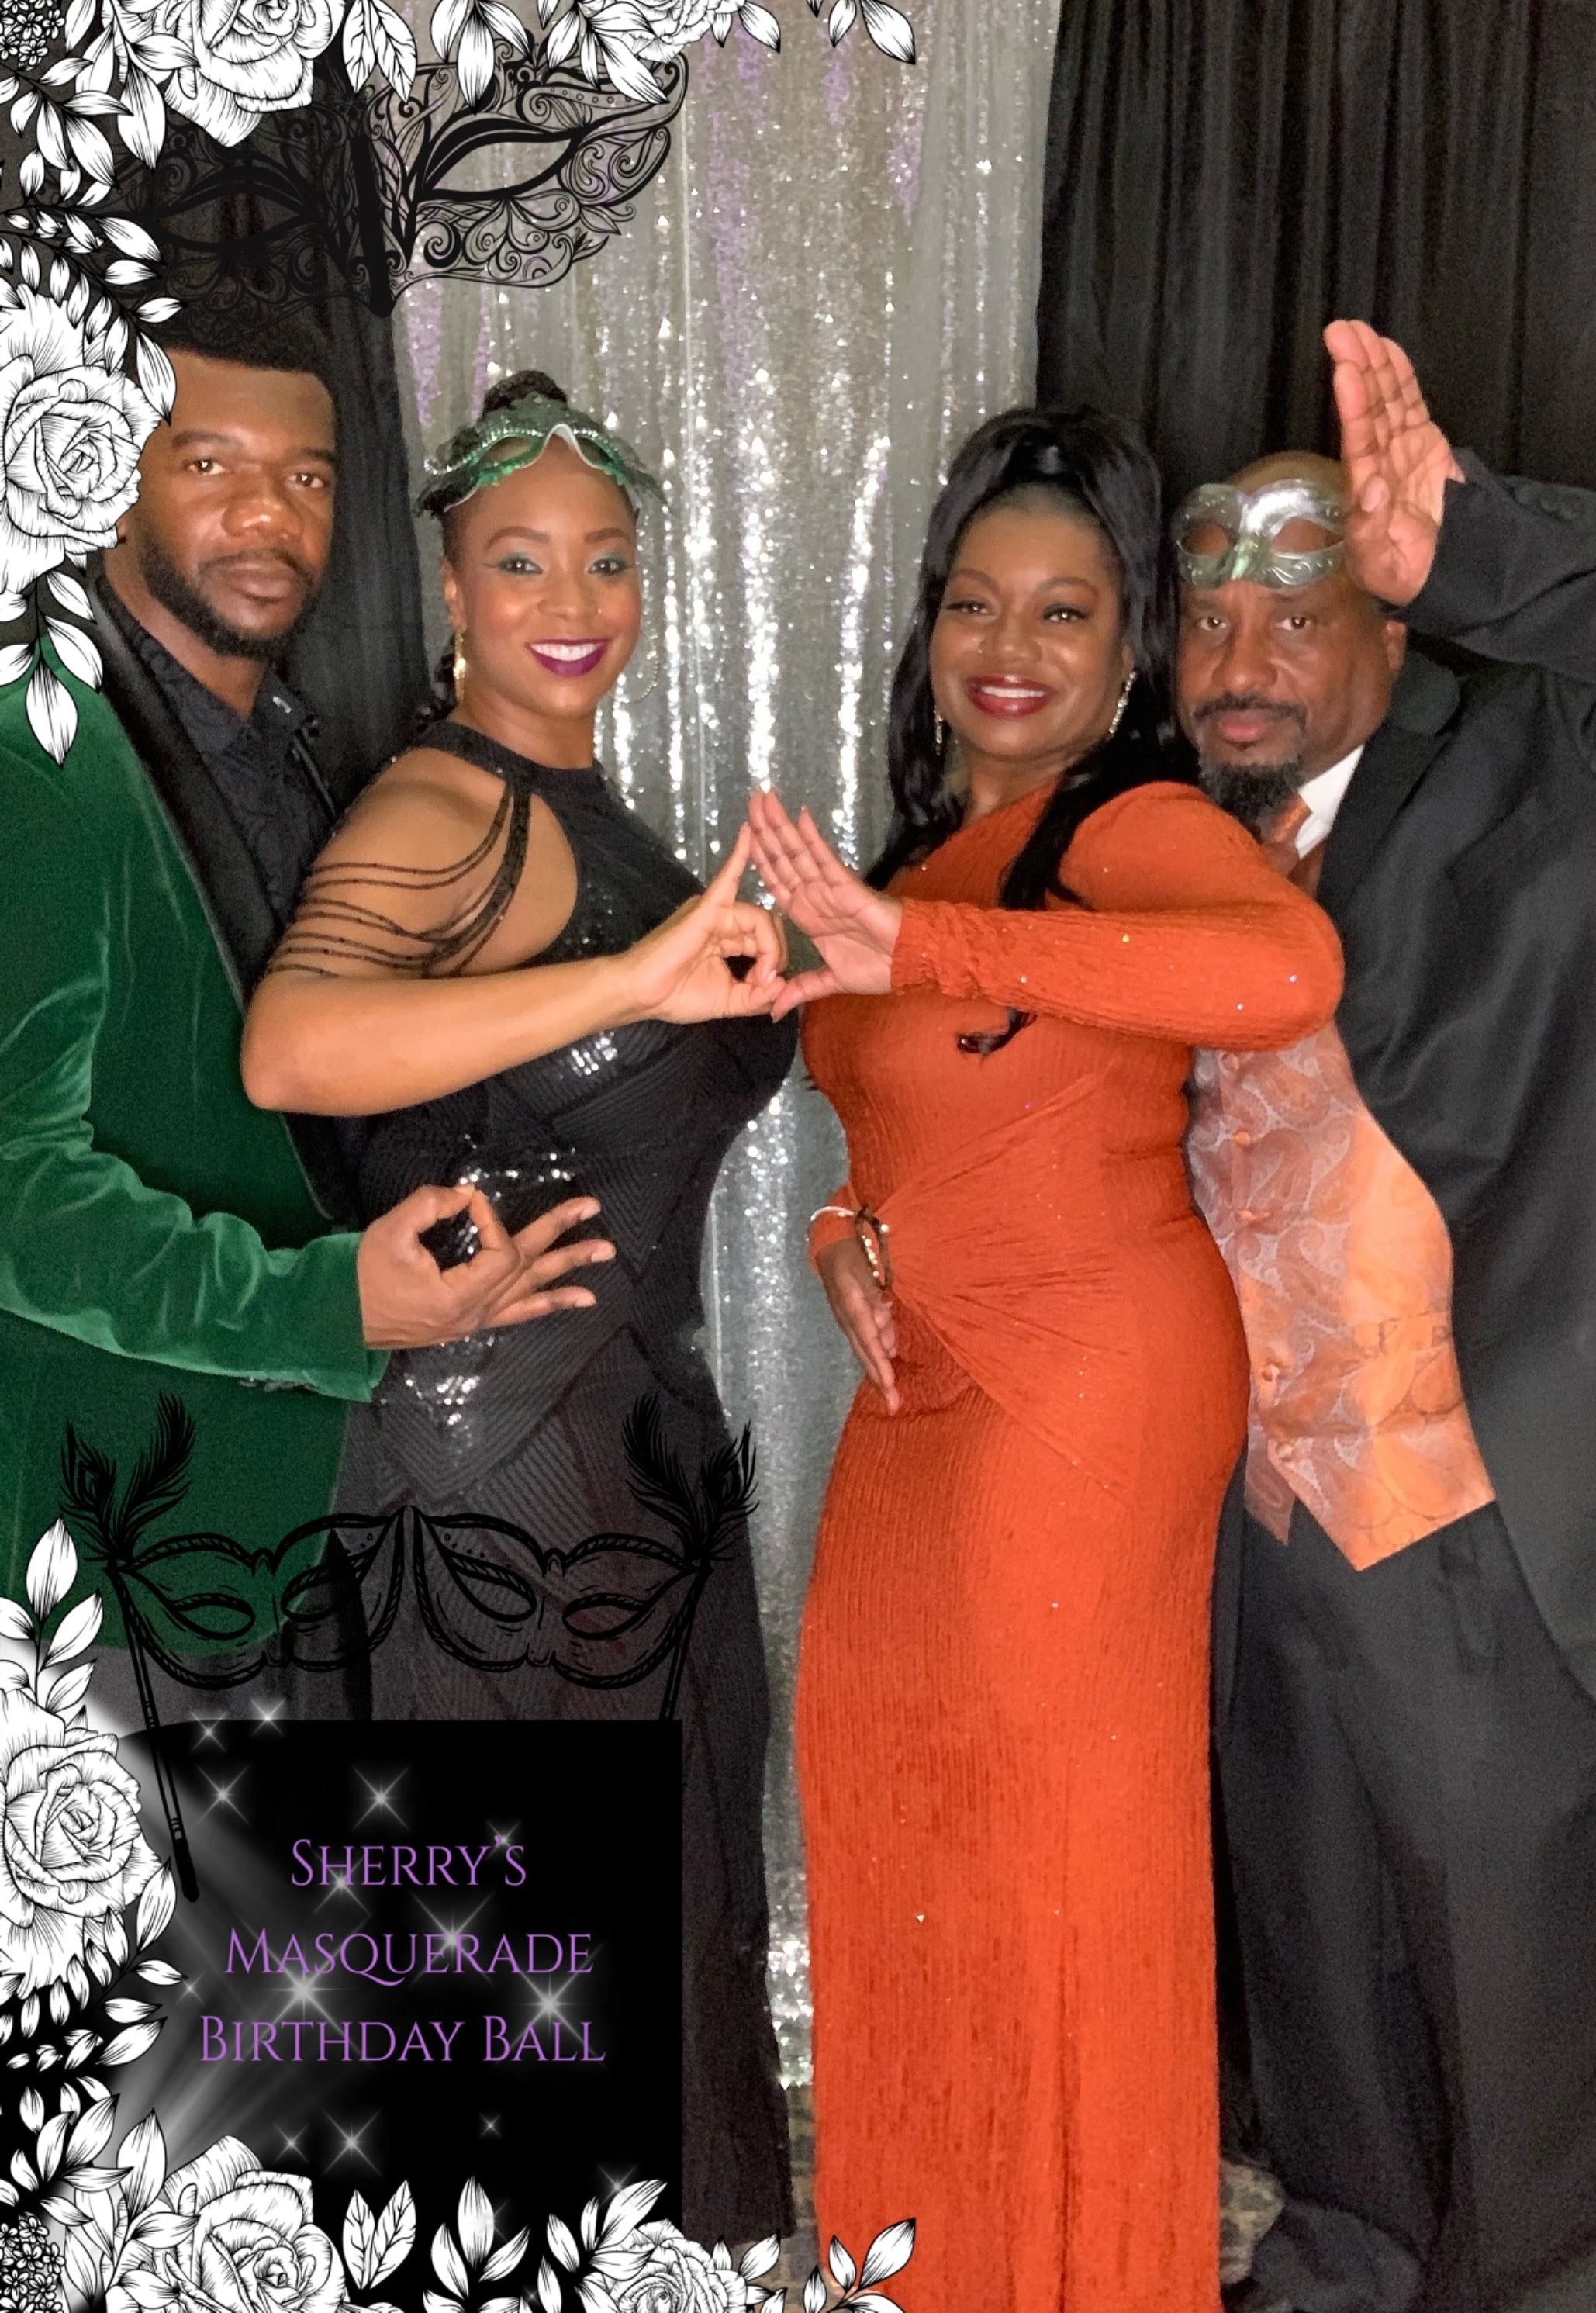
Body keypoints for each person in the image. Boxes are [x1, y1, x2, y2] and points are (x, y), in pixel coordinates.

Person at [744, 410, 1342, 2313]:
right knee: (894, 1795)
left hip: (1087, 1393)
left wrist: (920, 942)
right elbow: (879, 1140)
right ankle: (944, 2262)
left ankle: (1078, 2269)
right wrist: (848, 1241)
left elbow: (1284, 977)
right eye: (977, 604)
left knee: (1050, 1868)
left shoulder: (1124, 824)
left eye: (1067, 611)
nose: (1012, 646)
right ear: (930, 629)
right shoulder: (931, 851)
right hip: (928, 1399)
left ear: (1128, 654)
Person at [240, 370, 798, 2245]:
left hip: (628, 1444)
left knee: (633, 1950)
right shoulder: (442, 799)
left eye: (611, 559)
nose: (576, 598)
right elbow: (294, 1049)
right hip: (494, 1482)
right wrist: (630, 972)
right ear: (458, 592)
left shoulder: (584, 802)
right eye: (522, 560)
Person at [0, 316, 605, 1727]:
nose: (269, 512)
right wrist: (326, 1303)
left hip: (313, 1528)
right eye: (208, 461)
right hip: (110, 1557)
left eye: (311, 477)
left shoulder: (310, 757)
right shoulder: (39, 757)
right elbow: (14, 1191)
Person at [1180, 321, 1596, 2313]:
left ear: (1392, 612)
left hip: (1488, 1510)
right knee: (1318, 1953)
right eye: (1210, 605)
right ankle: (1341, 2264)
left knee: (1514, 1991)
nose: (1242, 646)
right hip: (1263, 1529)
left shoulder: (1536, 755)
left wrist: (1483, 547)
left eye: (1302, 590)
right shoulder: (1169, 854)